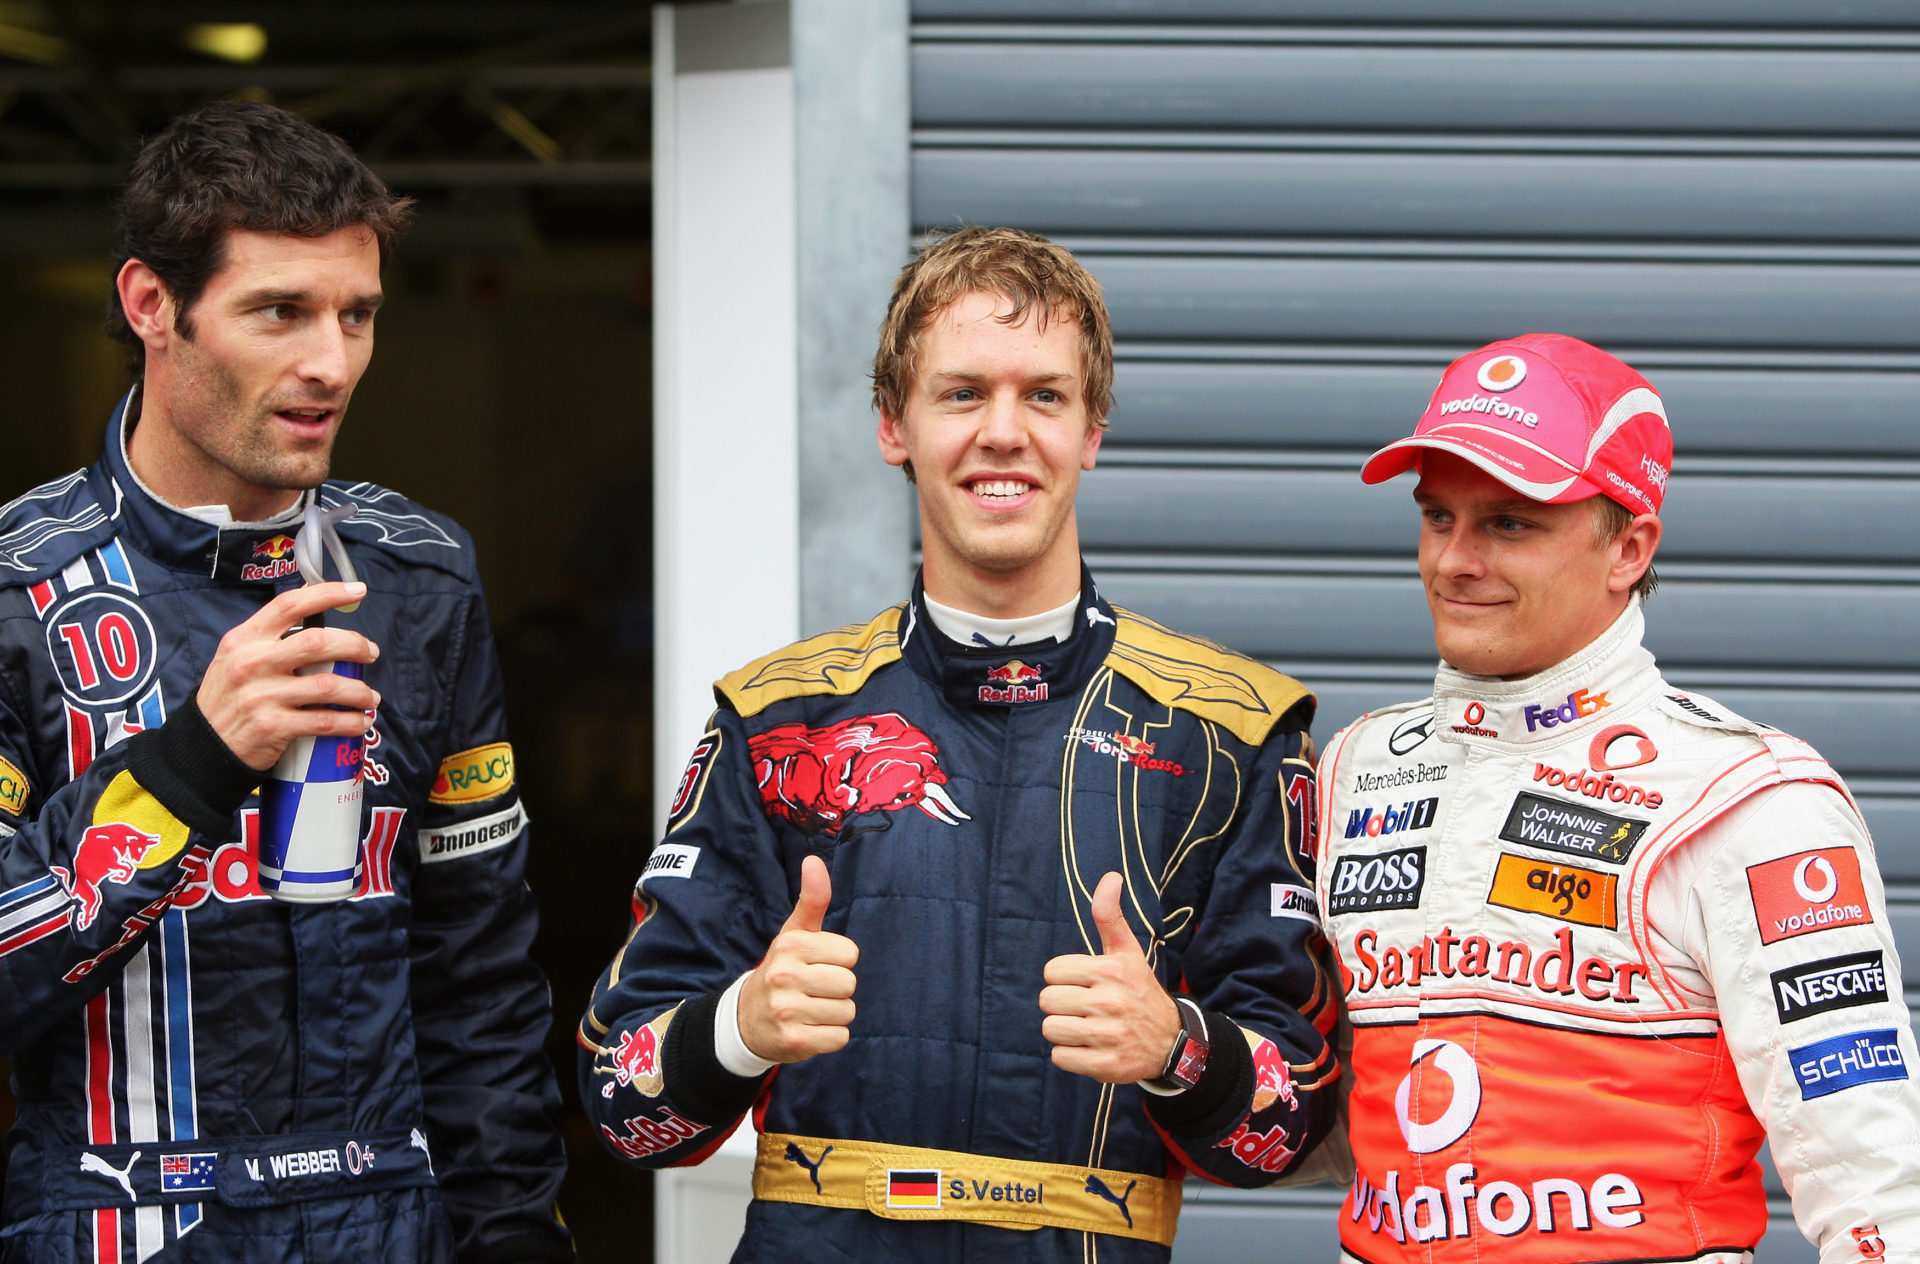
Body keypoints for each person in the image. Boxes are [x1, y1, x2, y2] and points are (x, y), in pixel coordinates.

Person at [579, 226, 1339, 1260]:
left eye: (1044, 395)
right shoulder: (777, 722)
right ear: (894, 425)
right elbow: (622, 1104)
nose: (1003, 432)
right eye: (962, 392)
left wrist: (1176, 1047)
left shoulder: (1231, 733)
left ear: (1093, 431)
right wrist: (742, 1022)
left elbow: (1289, 1129)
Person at [0, 102, 572, 1262]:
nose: (331, 362)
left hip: (389, 1212)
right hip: (122, 1218)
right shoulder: (19, 590)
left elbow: (480, 973)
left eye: (356, 315)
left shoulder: (420, 576)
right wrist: (189, 763)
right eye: (279, 311)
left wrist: (514, 1230)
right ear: (152, 305)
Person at [1316, 332, 1920, 1262]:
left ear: (1629, 547)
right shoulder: (1357, 767)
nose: (1455, 561)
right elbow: (1312, 1107)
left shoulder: (1748, 800)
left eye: (1510, 523)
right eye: (1440, 518)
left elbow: (1874, 1174)